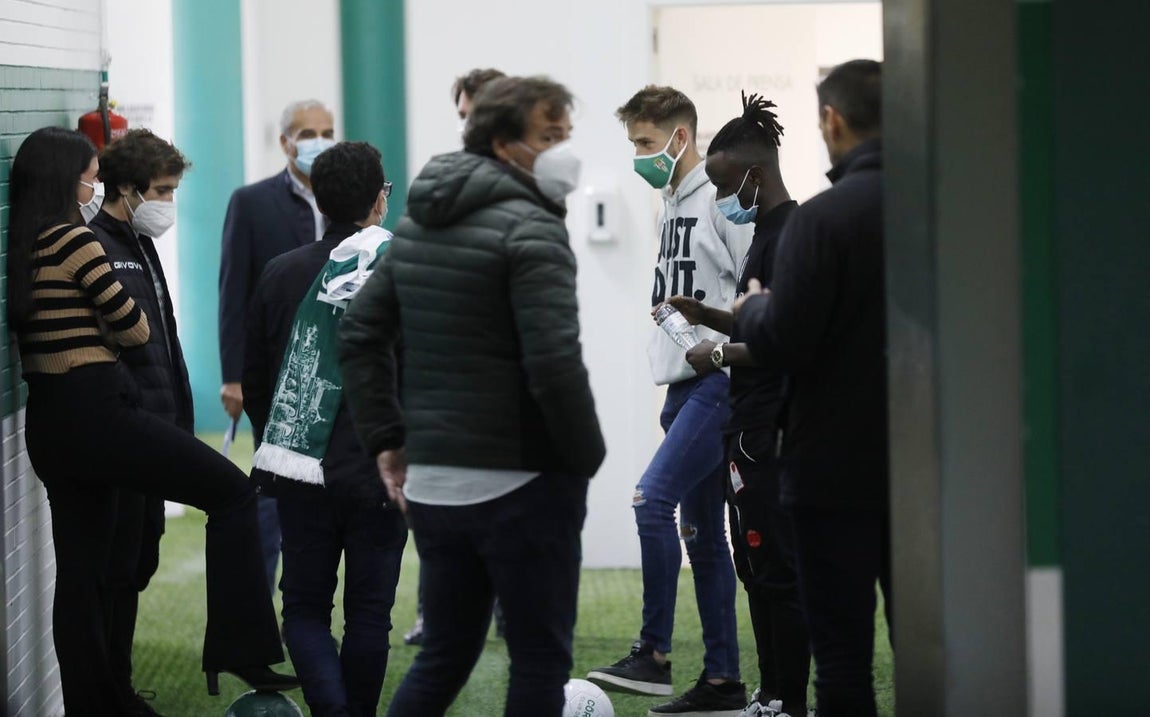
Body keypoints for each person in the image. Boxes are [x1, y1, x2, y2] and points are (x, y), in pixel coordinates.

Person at [7, 126, 297, 717]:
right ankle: (239, 646)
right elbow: (135, 329)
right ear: (68, 179)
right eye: (90, 173)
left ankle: (99, 704)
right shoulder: (77, 240)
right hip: (99, 413)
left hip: (51, 422)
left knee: (81, 578)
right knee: (236, 494)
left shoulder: (26, 244)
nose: (95, 183)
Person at [339, 75, 605, 717]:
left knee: (443, 656)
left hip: (433, 484)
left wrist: (389, 441)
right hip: (522, 481)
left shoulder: (419, 224)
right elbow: (553, 363)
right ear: (503, 143)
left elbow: (360, 333)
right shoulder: (533, 230)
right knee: (539, 662)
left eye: (565, 135)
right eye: (549, 137)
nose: (564, 150)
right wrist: (583, 456)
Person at [587, 85, 750, 717]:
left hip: (717, 382)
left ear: (680, 137)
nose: (639, 154)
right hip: (680, 388)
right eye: (633, 143)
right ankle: (723, 683)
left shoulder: (724, 198)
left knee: (649, 500)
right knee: (704, 537)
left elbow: (753, 289)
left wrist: (724, 356)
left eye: (646, 143)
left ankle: (653, 654)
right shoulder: (668, 200)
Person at [733, 60, 889, 717]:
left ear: (832, 119)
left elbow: (785, 341)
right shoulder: (951, 207)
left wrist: (751, 312)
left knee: (844, 661)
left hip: (833, 468)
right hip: (933, 469)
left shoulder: (822, 220)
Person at [242, 141, 408, 717]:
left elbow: (256, 379)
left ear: (315, 195)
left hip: (301, 471)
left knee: (306, 610)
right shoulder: (409, 271)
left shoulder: (279, 274)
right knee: (370, 613)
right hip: (379, 470)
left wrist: (287, 446)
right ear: (378, 199)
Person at [659, 93, 810, 717]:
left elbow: (788, 340)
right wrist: (710, 317)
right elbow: (758, 321)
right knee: (752, 564)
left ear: (752, 174)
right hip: (744, 428)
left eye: (724, 183)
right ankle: (769, 691)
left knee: (775, 569)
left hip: (770, 427)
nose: (724, 198)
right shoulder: (765, 235)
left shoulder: (793, 234)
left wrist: (717, 355)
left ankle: (788, 698)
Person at [400, 64, 512, 651]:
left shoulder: (532, 188)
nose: (468, 126)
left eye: (478, 115)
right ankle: (436, 613)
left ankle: (508, 608)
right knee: (436, 498)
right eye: (462, 116)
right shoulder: (442, 184)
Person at [87, 128, 195, 717]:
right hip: (127, 435)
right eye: (162, 190)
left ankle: (117, 687)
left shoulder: (138, 240)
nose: (168, 204)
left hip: (156, 430)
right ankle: (112, 692)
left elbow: (162, 345)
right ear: (126, 187)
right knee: (116, 570)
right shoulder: (97, 244)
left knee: (138, 562)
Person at [219, 99, 336, 594]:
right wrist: (233, 375)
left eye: (328, 131)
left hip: (333, 371)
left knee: (327, 497)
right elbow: (233, 293)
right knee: (271, 495)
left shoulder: (346, 197)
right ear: (285, 141)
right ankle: (257, 612)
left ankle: (310, 604)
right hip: (274, 373)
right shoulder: (251, 202)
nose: (319, 140)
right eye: (308, 132)